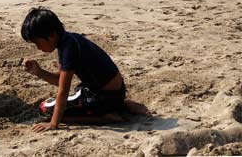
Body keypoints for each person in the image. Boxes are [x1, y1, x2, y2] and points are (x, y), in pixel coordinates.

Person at [21, 7, 149, 132]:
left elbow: (63, 90)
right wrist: (39, 72)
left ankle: (104, 117)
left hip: (103, 97)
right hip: (116, 92)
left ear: (51, 35)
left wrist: (53, 123)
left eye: (37, 43)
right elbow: (59, 80)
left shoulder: (68, 48)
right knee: (74, 95)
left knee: (45, 108)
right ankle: (122, 105)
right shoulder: (69, 39)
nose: (38, 47)